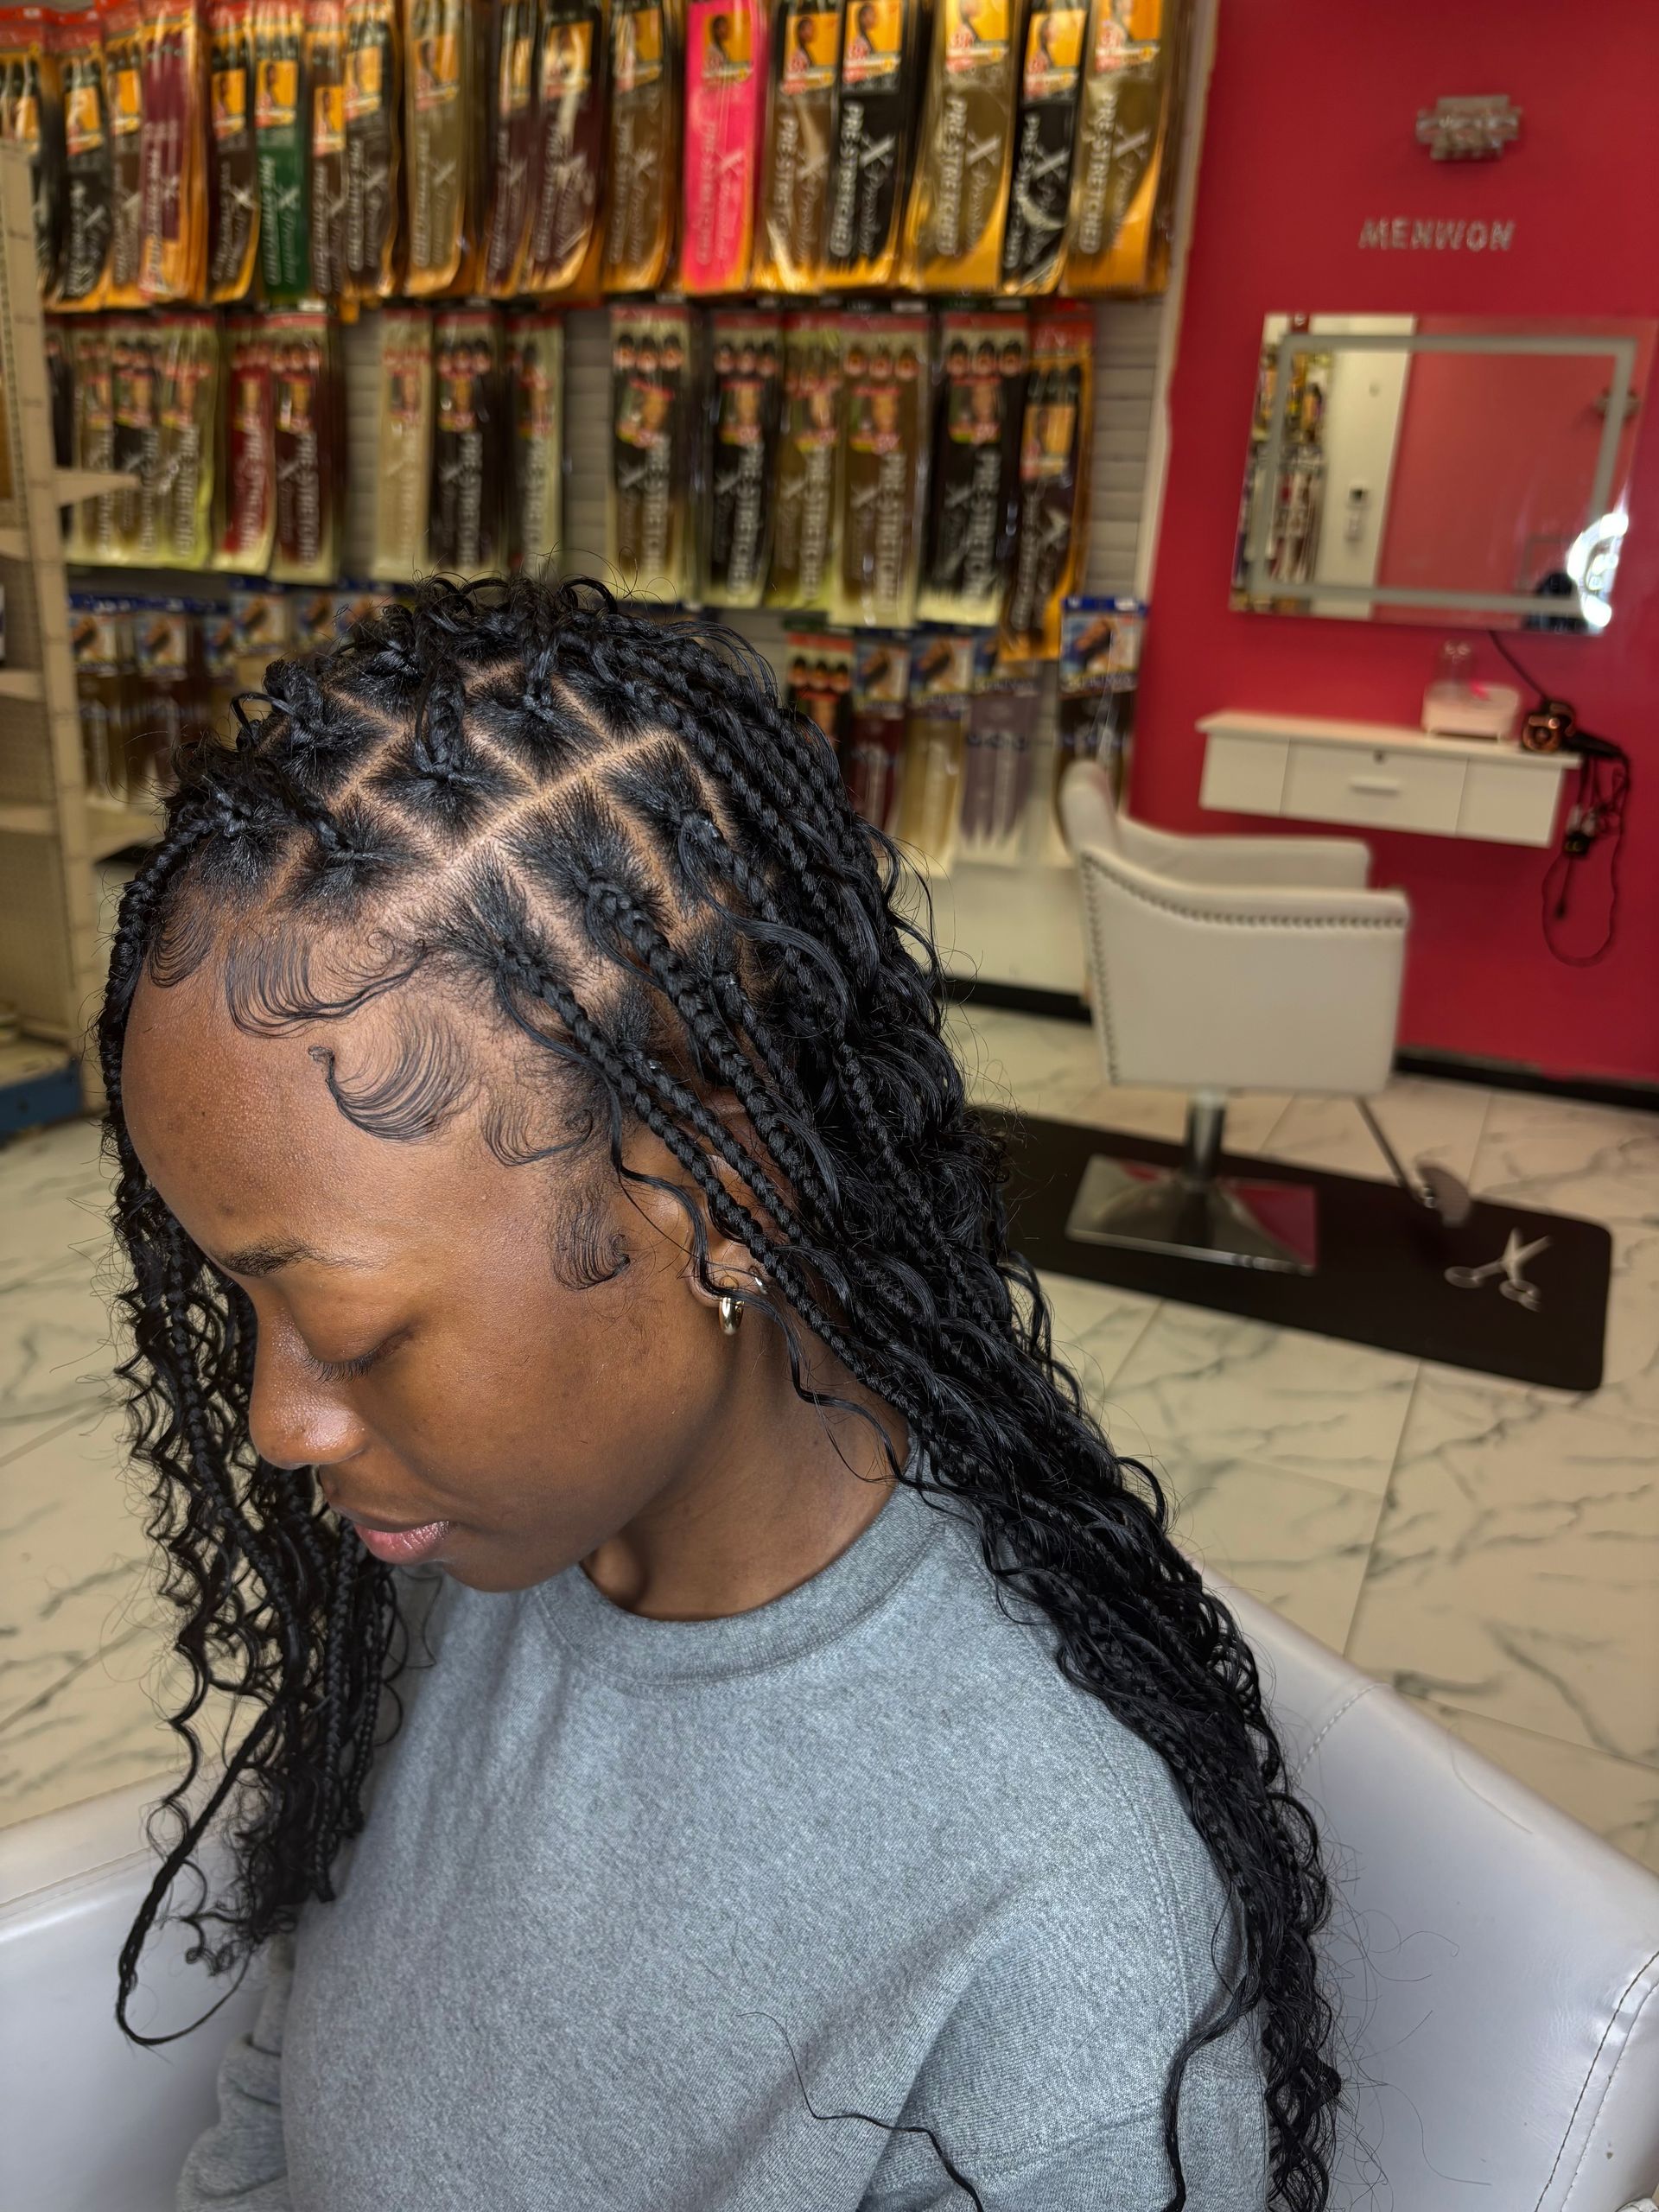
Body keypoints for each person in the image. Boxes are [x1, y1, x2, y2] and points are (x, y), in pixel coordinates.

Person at [106, 576, 1343, 2211]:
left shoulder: (1061, 1952)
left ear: (723, 1194)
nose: (280, 1425)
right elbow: (277, 2085)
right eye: (232, 1295)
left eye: (352, 1328)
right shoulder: (460, 1558)